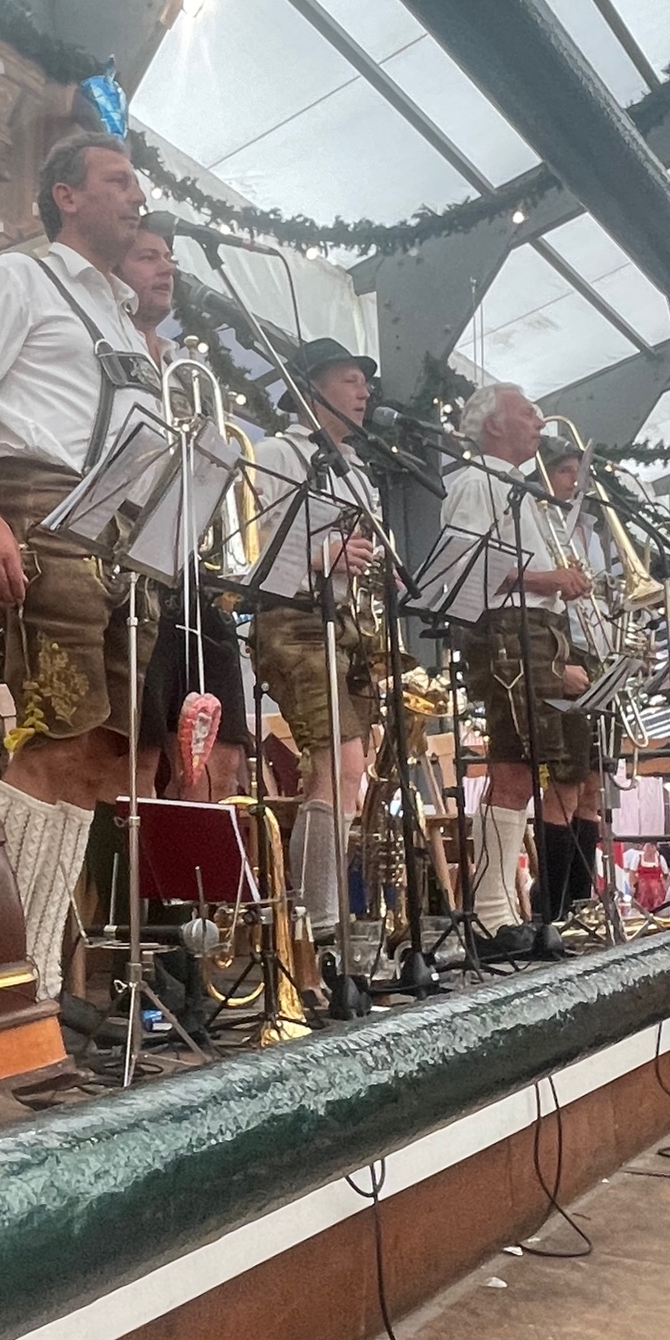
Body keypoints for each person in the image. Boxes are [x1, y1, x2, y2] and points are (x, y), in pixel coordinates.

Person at [0, 130, 160, 997]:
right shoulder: (19, 277)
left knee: (101, 761)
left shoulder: (123, 316)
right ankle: (10, 988)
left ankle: (46, 983)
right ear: (67, 195)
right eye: (118, 181)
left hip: (128, 534)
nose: (137, 196)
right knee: (55, 744)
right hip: (48, 511)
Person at [441, 382, 592, 961]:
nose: (539, 421)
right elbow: (464, 566)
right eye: (526, 412)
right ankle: (490, 911)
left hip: (535, 631)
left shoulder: (517, 488)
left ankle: (501, 906)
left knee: (524, 769)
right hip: (508, 633)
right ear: (494, 426)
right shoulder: (477, 482)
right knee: (514, 769)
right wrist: (549, 579)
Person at [248, 339, 382, 933]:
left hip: (347, 623)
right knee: (338, 763)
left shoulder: (357, 470)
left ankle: (322, 920)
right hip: (293, 618)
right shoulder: (276, 453)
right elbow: (248, 550)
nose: (365, 392)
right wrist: (322, 557)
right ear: (312, 389)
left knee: (349, 771)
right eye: (351, 380)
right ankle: (316, 925)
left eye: (364, 382)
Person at [121, 213, 252, 802]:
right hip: (133, 567)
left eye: (169, 259)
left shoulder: (184, 366)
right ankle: (145, 866)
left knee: (221, 757)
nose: (166, 268)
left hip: (194, 574)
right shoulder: (110, 351)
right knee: (142, 755)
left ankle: (197, 861)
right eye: (148, 257)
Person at [539, 438, 609, 923]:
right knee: (565, 780)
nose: (575, 481)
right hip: (565, 645)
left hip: (597, 649)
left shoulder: (592, 532)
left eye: (577, 472)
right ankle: (553, 907)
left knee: (591, 786)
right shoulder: (541, 521)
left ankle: (582, 902)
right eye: (565, 471)